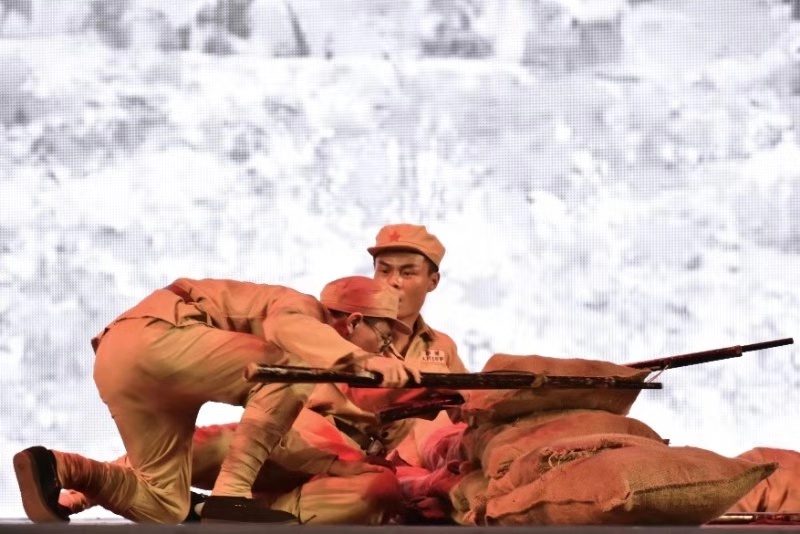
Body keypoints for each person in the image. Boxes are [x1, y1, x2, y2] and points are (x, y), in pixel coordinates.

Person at [13, 276, 418, 524]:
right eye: (384, 337)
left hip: (118, 360)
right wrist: (365, 361)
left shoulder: (320, 347)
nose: (386, 347)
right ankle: (231, 495)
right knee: (290, 370)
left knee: (164, 506)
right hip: (157, 336)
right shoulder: (300, 309)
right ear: (354, 321)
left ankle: (64, 467)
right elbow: (290, 334)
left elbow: (292, 414)